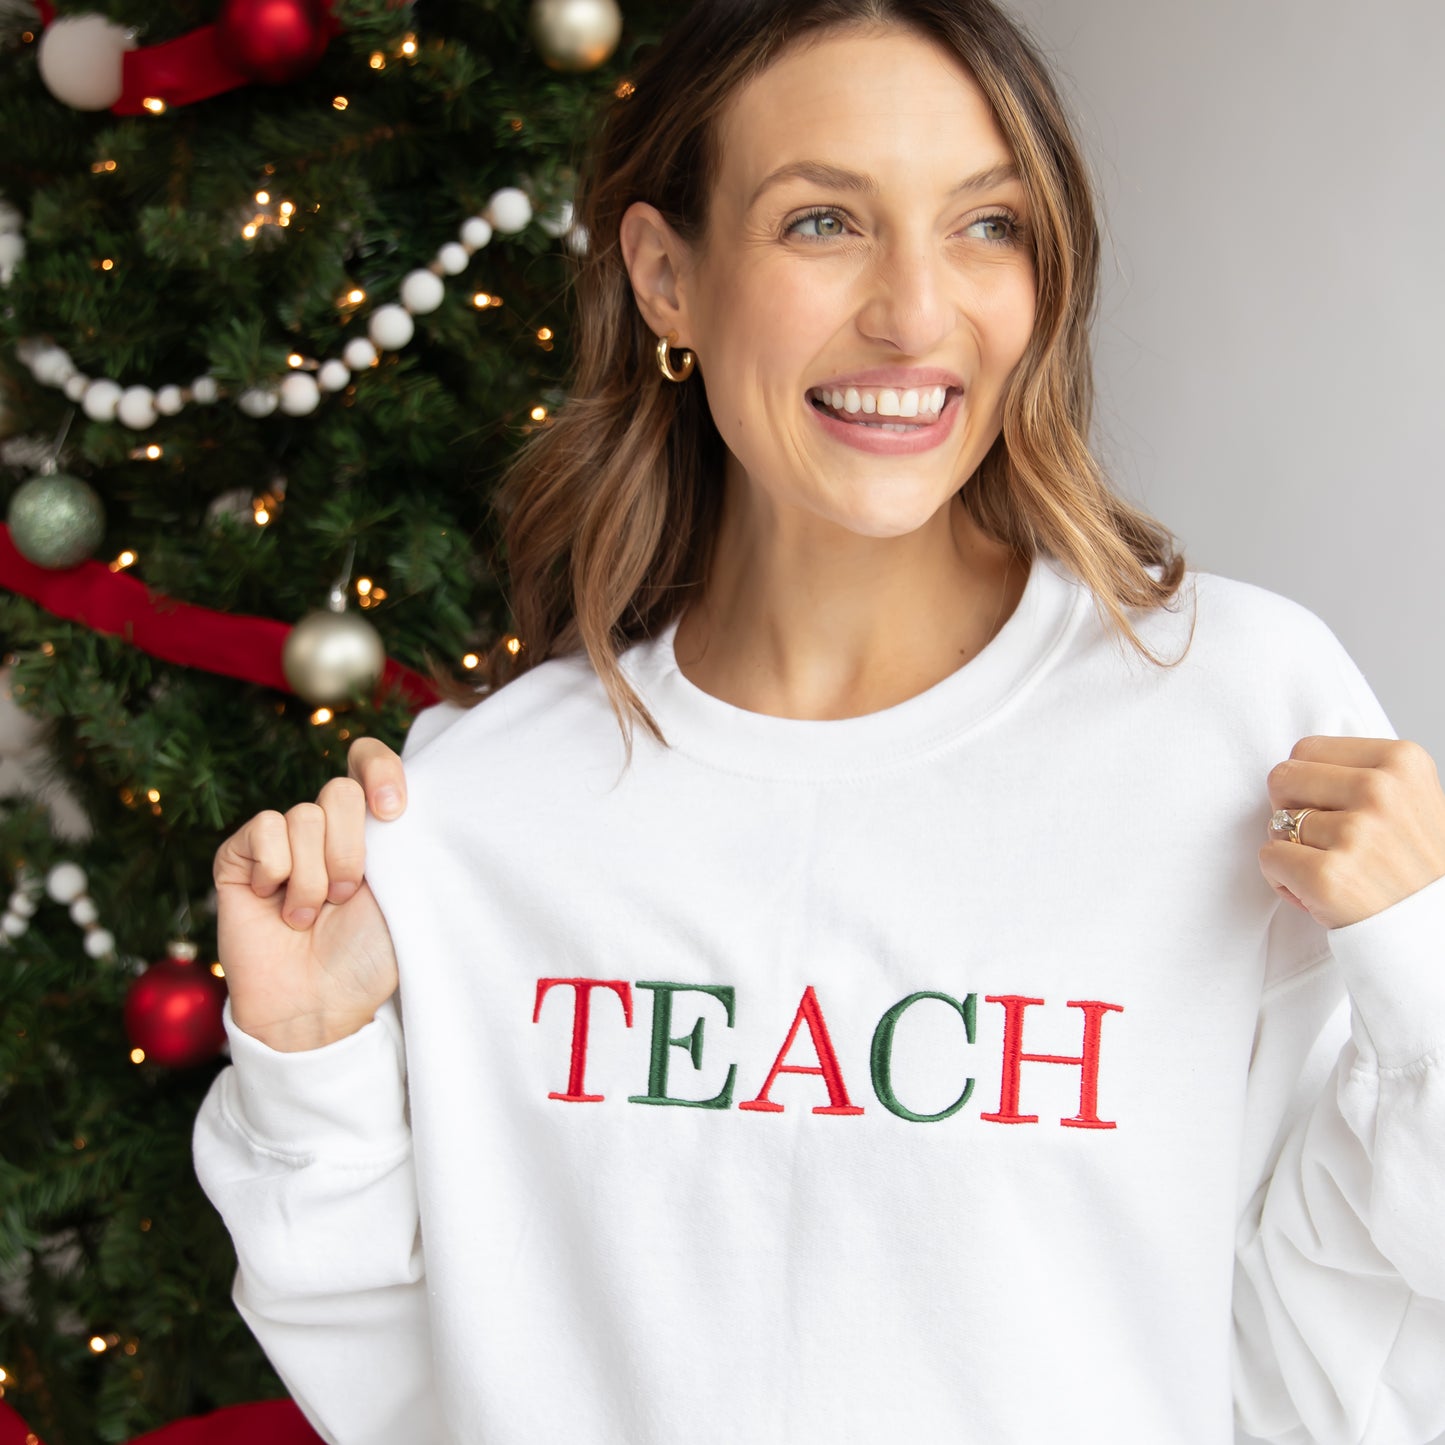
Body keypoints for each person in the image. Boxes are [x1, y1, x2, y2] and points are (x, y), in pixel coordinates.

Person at [195, 1, 1445, 1441]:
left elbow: (1330, 1373)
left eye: (986, 225)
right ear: (666, 275)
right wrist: (314, 1064)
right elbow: (431, 1401)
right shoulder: (483, 807)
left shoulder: (1232, 716)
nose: (915, 312)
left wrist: (1423, 968)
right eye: (822, 223)